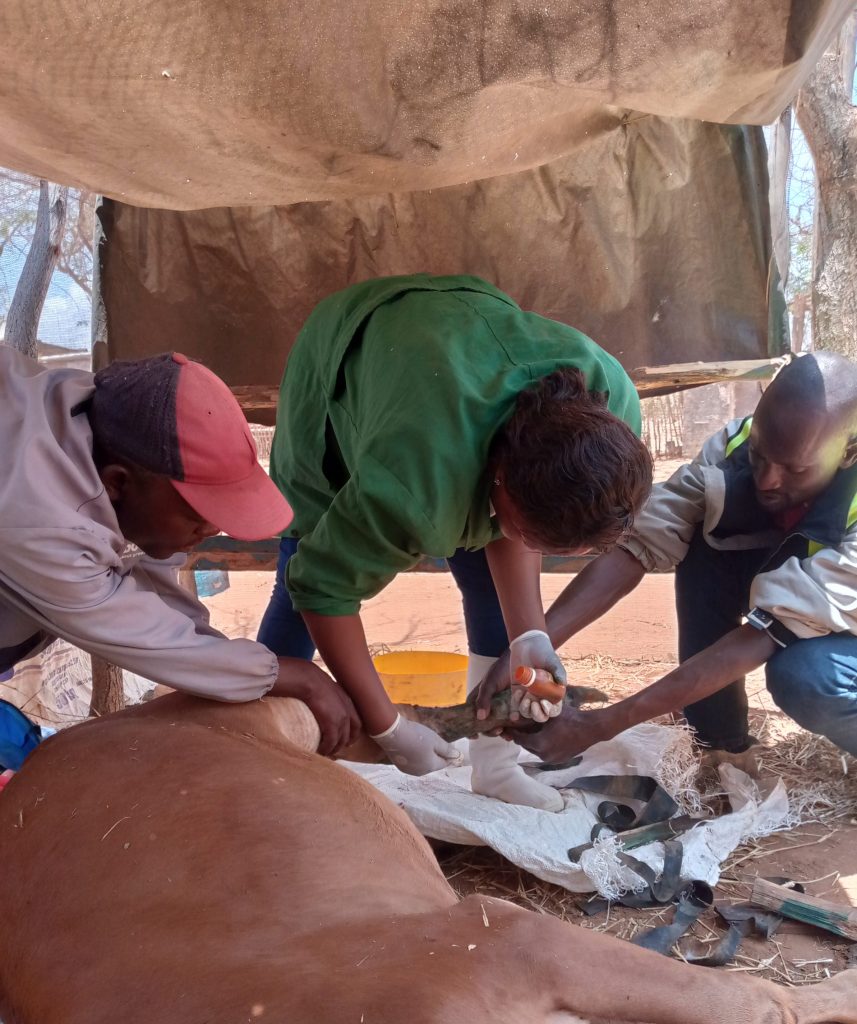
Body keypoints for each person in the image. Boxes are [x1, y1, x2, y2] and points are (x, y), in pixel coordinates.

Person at [258, 273, 652, 810]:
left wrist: (531, 635)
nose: (514, 539)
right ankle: (254, 757)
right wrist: (388, 726)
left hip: (465, 338)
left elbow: (517, 520)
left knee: (493, 587)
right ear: (499, 481)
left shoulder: (613, 407)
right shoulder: (417, 479)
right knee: (303, 560)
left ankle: (495, 770)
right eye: (524, 530)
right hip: (346, 352)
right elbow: (321, 587)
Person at [478, 352, 857, 766]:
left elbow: (762, 636)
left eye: (794, 470)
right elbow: (639, 546)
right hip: (804, 603)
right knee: (706, 531)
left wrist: (598, 726)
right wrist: (531, 644)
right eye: (760, 455)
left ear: (848, 451)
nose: (767, 480)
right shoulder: (732, 448)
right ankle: (720, 745)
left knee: (805, 677)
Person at [0, 346, 360, 754]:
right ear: (117, 483)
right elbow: (143, 636)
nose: (212, 529)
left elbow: (170, 616)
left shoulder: (104, 426)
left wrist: (240, 666)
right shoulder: (39, 516)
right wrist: (294, 675)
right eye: (197, 516)